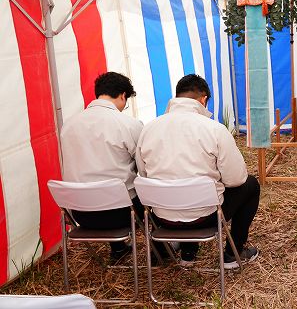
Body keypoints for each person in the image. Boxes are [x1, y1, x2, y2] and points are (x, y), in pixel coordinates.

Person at [136, 74, 259, 268]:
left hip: (163, 218)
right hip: (205, 218)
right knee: (250, 184)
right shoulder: (214, 129)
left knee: (175, 185)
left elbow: (143, 175)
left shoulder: (148, 129)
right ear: (203, 99)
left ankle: (186, 251)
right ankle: (232, 255)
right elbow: (236, 179)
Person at [60, 71, 143, 261]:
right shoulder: (128, 124)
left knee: (106, 185)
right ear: (123, 95)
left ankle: (119, 249)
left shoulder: (69, 125)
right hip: (121, 214)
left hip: (81, 214)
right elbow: (144, 166)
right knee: (147, 192)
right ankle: (161, 252)